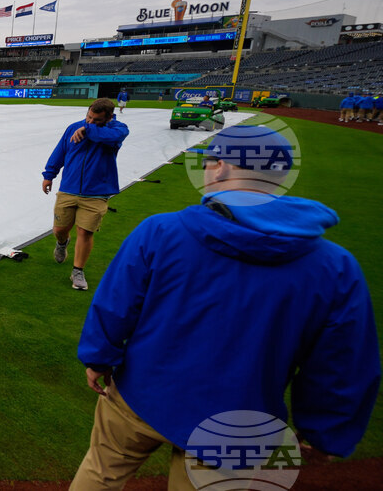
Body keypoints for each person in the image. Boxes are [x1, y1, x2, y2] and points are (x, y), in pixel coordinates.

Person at [70, 125, 380, 490]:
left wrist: (98, 358)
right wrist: (326, 432)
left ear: (220, 168)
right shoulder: (335, 266)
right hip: (239, 424)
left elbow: (115, 306)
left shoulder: (161, 231)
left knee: (100, 476)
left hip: (141, 394)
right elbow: (341, 362)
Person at [41, 98, 129, 291]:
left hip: (97, 192)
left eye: (95, 120)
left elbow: (113, 136)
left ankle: (78, 271)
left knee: (85, 231)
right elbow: (60, 152)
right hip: (68, 189)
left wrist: (88, 130)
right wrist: (49, 175)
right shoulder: (73, 127)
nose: (89, 121)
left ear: (109, 118)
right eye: (88, 117)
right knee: (59, 229)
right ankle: (62, 242)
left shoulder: (118, 130)